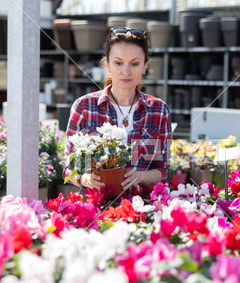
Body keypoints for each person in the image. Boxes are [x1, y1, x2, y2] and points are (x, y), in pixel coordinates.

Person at [64, 27, 172, 194]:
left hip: (140, 208)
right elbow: (69, 167)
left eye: (134, 64)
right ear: (107, 64)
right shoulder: (84, 106)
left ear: (145, 66)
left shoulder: (158, 110)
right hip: (94, 208)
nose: (126, 72)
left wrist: (140, 176)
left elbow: (163, 170)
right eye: (118, 63)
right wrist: (86, 180)